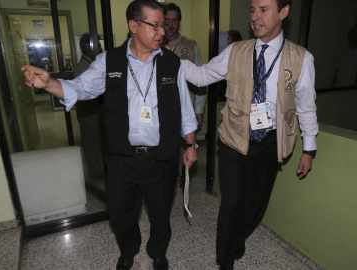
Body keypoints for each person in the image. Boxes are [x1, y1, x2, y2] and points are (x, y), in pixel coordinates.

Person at [22, 1, 198, 270]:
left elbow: (185, 108)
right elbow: (80, 89)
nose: (162, 31)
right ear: (133, 26)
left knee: (161, 213)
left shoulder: (172, 63)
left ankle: (157, 252)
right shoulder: (110, 61)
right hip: (122, 158)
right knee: (119, 214)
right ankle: (128, 250)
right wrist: (49, 84)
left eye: (163, 25)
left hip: (160, 158)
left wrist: (191, 144)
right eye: (155, 25)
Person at [181, 0, 318, 269]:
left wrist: (309, 150)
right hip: (233, 139)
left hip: (270, 143)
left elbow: (306, 107)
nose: (255, 16)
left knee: (255, 205)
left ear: (284, 11)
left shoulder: (301, 59)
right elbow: (201, 75)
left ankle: (238, 237)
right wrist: (170, 61)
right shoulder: (235, 51)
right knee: (231, 205)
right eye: (253, 10)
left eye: (264, 9)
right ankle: (224, 262)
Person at [163, 3, 206, 126]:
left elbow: (200, 78)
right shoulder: (154, 45)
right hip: (159, 106)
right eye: (167, 20)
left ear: (179, 23)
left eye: (174, 20)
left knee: (186, 142)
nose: (170, 25)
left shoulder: (191, 46)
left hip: (186, 106)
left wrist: (199, 108)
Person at [74, 33, 104, 182]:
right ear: (88, 47)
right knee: (91, 141)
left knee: (96, 140)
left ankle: (100, 168)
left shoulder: (92, 64)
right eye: (97, 45)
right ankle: (96, 172)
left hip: (95, 110)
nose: (100, 47)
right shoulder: (83, 68)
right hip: (88, 111)